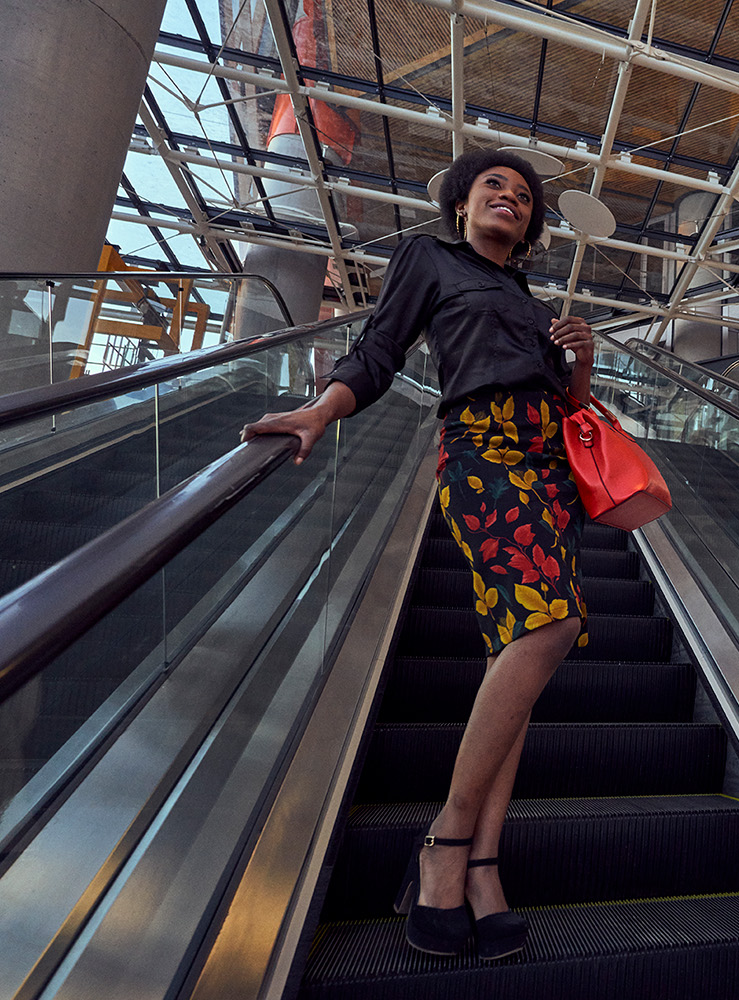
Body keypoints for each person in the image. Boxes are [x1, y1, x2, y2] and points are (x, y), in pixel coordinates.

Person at [241, 149, 596, 960]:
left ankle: (483, 867)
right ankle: (443, 842)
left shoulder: (528, 296)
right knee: (550, 629)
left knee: (521, 653)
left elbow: (569, 406)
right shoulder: (429, 258)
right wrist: (321, 409)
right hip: (484, 453)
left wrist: (579, 359)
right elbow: (379, 348)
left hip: (549, 470)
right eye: (492, 188)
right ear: (463, 207)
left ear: (533, 225)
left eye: (522, 195)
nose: (509, 198)